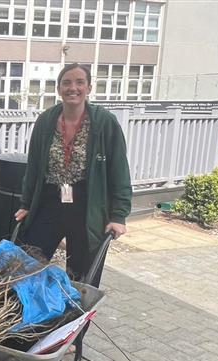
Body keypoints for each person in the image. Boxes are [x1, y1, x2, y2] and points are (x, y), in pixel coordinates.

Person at [14, 63, 131, 287]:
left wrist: (118, 215)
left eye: (79, 82)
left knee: (81, 275)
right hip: (50, 199)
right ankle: (26, 313)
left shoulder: (104, 122)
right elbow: (34, 166)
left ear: (88, 87)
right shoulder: (46, 121)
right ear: (59, 88)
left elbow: (119, 170)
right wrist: (27, 203)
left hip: (86, 204)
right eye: (66, 82)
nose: (73, 88)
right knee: (27, 262)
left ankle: (75, 320)